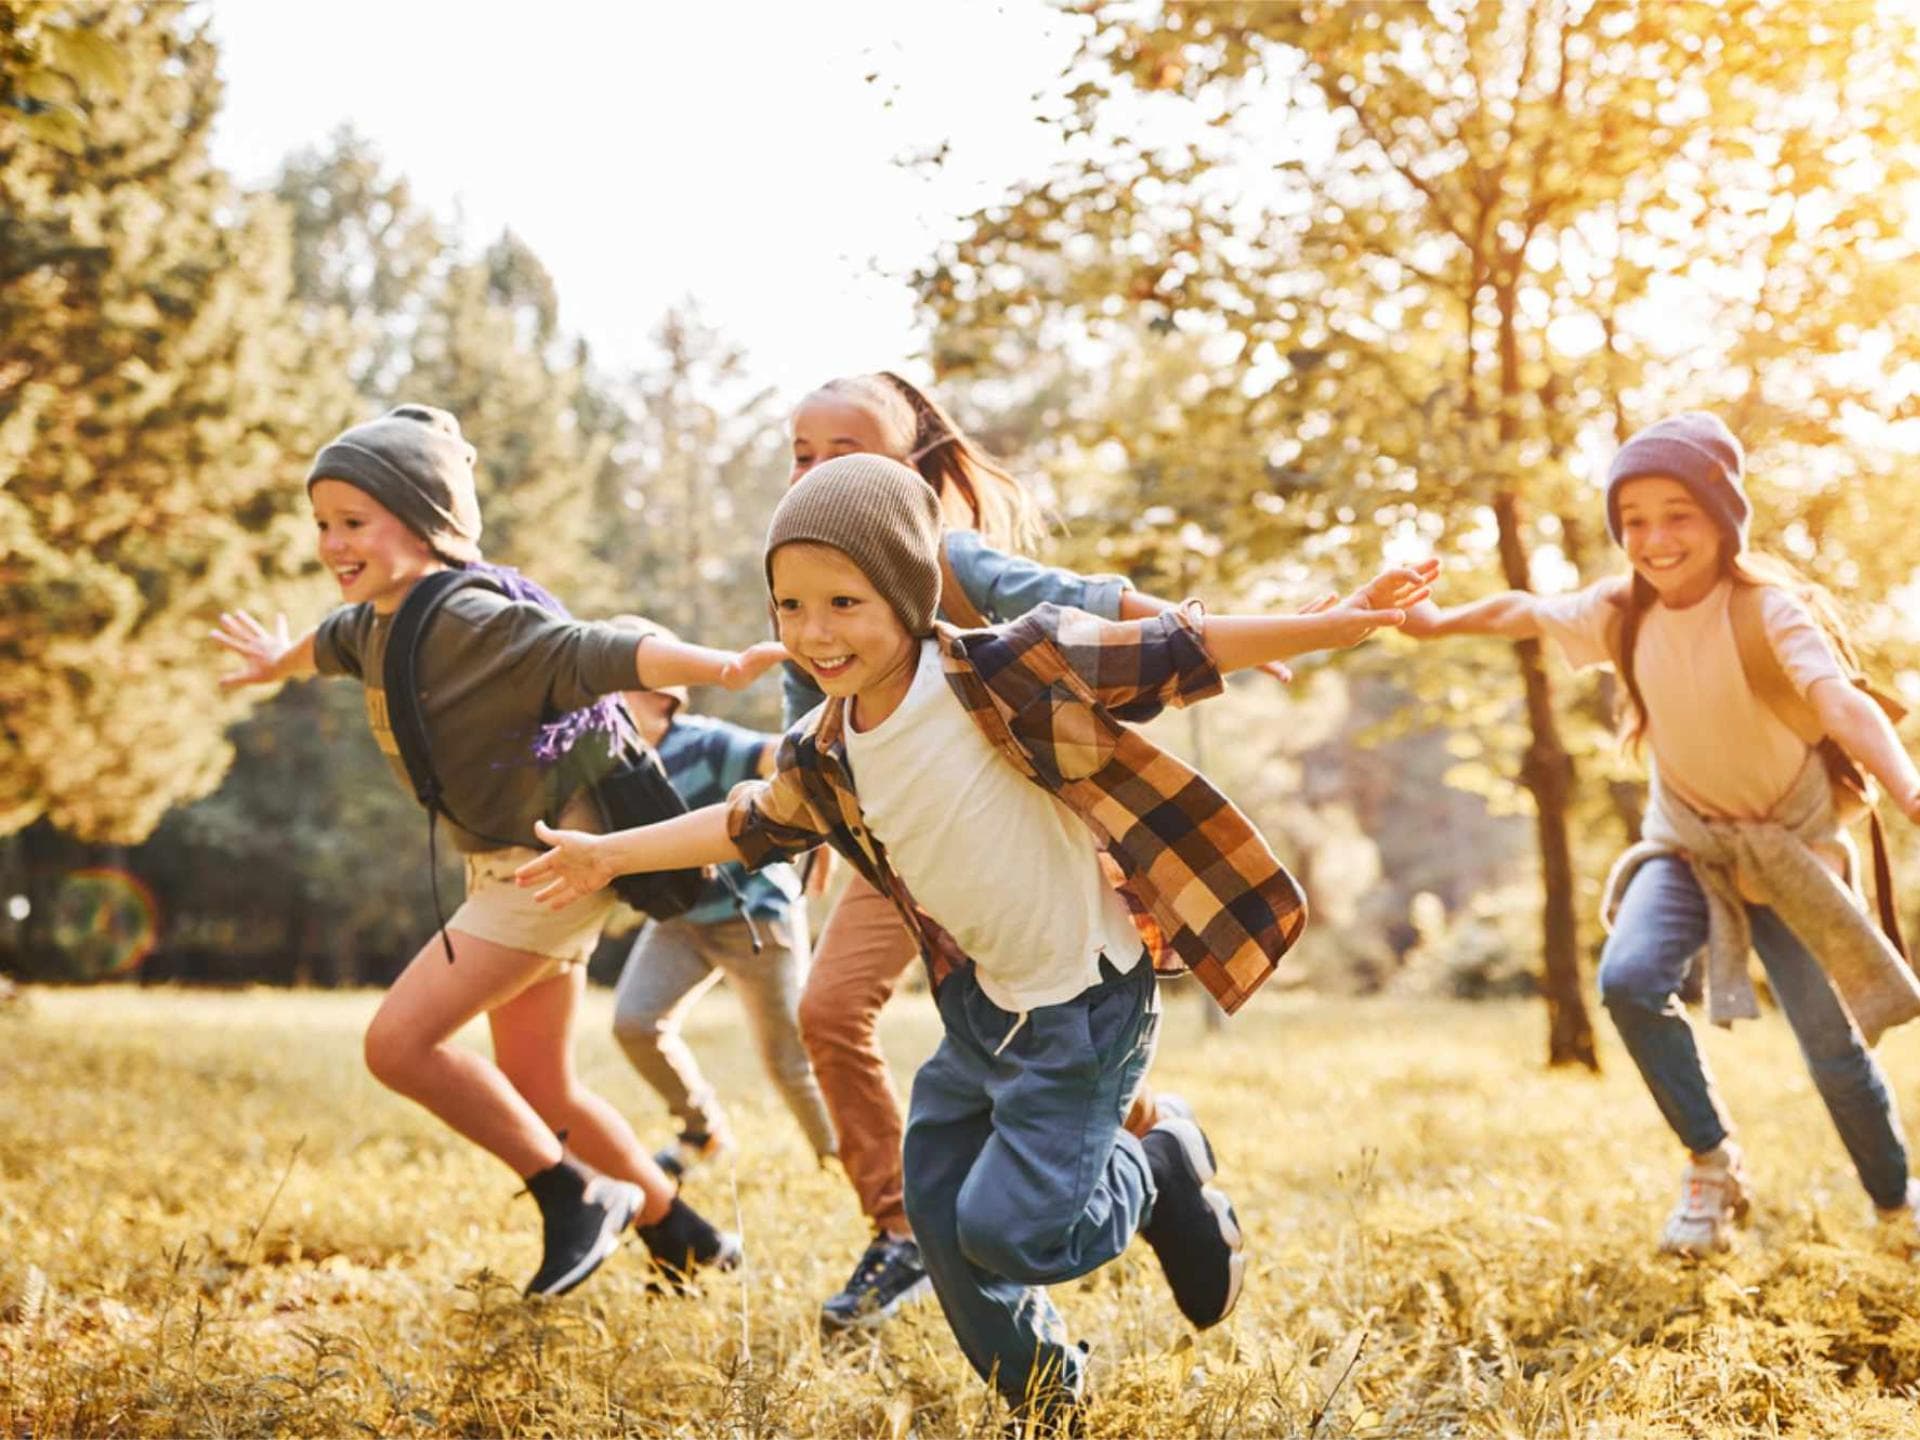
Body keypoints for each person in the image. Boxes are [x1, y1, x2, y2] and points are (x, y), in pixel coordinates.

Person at [518, 454, 1435, 1428]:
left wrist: (1337, 621)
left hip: (1085, 1005)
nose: (815, 633)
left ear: (908, 594)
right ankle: (1048, 1397)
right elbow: (746, 822)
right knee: (944, 1223)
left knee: (1015, 1232)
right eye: (790, 606)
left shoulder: (1002, 670)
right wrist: (606, 855)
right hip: (982, 1011)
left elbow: (1166, 646)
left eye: (844, 601)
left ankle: (1157, 1166)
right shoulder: (826, 751)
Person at [211, 404, 784, 1295]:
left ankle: (572, 1196)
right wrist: (270, 661)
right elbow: (319, 649)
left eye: (354, 522)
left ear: (429, 522)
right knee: (539, 1085)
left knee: (398, 1046)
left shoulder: (473, 615)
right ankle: (686, 1238)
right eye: (322, 523)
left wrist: (718, 668)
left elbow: (591, 651)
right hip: (510, 863)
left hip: (554, 861)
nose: (331, 543)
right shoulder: (370, 624)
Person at [780, 370, 1288, 1331]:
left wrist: (1198, 632)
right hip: (902, 847)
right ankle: (920, 1226)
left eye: (843, 453)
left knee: (1029, 1021)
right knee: (839, 1009)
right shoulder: (810, 572)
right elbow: (806, 710)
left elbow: (1076, 599)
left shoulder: (952, 557)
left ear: (912, 467)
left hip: (1011, 836)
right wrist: (807, 831)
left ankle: (1134, 1160)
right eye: (801, 455)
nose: (813, 472)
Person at [1399, 411, 1920, 1255]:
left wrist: (1908, 785)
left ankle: (1898, 1203)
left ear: (1722, 517)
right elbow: (1521, 609)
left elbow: (1840, 702)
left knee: (1832, 1046)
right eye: (1633, 520)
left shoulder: (1768, 611)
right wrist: (1433, 622)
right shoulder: (1621, 612)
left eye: (1677, 514)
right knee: (1631, 979)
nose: (1654, 538)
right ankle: (1713, 1164)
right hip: (1686, 844)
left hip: (1790, 852)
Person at [604, 616, 837, 1177]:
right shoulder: (613, 765)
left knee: (788, 1060)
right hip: (680, 922)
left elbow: (782, 757)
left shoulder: (706, 743)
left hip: (754, 919)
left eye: (615, 688)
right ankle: (703, 1134)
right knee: (635, 1023)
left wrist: (821, 818)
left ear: (660, 696)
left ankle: (841, 1159)